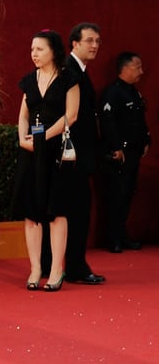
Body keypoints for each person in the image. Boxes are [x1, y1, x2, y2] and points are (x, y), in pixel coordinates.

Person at [11, 30, 80, 291]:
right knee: (31, 212)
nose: (34, 54)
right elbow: (23, 115)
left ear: (53, 51)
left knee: (56, 211)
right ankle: (35, 268)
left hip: (56, 153)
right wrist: (22, 139)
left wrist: (44, 138)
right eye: (32, 50)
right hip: (31, 152)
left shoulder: (68, 79)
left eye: (39, 49)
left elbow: (71, 116)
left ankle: (55, 271)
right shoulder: (29, 80)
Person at [56, 23, 106, 285]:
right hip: (72, 156)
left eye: (97, 41)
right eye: (89, 40)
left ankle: (67, 266)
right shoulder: (70, 71)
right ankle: (75, 267)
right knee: (77, 212)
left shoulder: (79, 71)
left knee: (74, 211)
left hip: (78, 155)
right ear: (74, 43)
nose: (95, 45)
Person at [99, 52, 150, 253]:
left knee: (128, 194)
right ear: (125, 68)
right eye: (137, 67)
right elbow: (107, 122)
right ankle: (113, 238)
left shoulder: (133, 92)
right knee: (116, 194)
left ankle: (122, 234)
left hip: (134, 152)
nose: (141, 71)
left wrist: (146, 140)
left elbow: (139, 119)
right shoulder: (113, 93)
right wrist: (116, 147)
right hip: (120, 154)